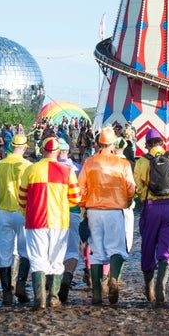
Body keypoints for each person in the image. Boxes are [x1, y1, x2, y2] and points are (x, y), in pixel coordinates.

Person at [18, 137, 81, 310]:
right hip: (59, 222)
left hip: (35, 221)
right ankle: (53, 297)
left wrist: (27, 212)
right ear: (57, 151)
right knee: (56, 259)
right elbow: (76, 199)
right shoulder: (68, 171)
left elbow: (22, 198)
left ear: (42, 150)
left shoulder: (31, 170)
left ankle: (40, 300)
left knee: (37, 259)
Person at [78, 126, 135, 305]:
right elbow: (131, 188)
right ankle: (113, 279)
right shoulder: (123, 164)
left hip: (94, 210)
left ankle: (96, 293)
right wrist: (125, 200)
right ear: (112, 144)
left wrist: (84, 204)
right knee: (117, 248)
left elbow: (80, 188)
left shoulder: (89, 162)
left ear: (97, 143)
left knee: (96, 251)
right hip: (115, 210)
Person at [134, 128, 169, 305]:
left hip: (151, 208)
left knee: (148, 245)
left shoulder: (142, 161)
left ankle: (149, 287)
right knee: (167, 248)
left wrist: (145, 199)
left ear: (147, 144)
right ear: (162, 142)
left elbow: (139, 187)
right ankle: (162, 284)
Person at [0, 133, 32, 306]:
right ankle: (20, 285)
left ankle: (6, 293)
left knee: (4, 253)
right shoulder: (29, 166)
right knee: (25, 252)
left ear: (11, 146)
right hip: (24, 213)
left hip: (3, 212)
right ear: (25, 147)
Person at [54, 138, 81, 303]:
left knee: (54, 249)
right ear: (68, 151)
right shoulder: (78, 168)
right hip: (74, 212)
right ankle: (67, 277)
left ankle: (53, 284)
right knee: (72, 250)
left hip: (54, 212)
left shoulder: (50, 168)